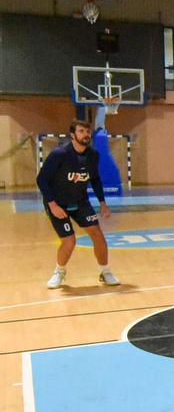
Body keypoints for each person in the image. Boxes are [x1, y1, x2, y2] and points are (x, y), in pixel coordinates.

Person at [39, 119, 118, 289]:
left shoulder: (93, 155)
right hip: (58, 203)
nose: (86, 134)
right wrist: (52, 204)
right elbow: (41, 179)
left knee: (98, 235)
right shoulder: (59, 154)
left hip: (81, 201)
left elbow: (95, 179)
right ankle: (59, 272)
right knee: (69, 241)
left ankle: (105, 272)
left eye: (88, 131)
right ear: (73, 135)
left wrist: (102, 203)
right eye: (82, 131)